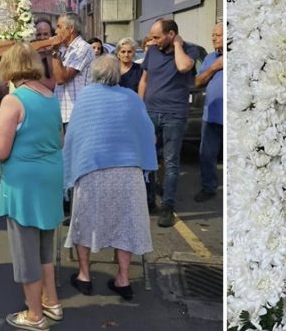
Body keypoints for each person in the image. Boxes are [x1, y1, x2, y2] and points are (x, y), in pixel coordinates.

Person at [0, 43, 64, 331]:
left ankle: (35, 314)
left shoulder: (14, 100)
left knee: (25, 251)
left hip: (24, 182)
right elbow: (59, 140)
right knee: (45, 244)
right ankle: (52, 302)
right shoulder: (50, 95)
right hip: (50, 177)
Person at [64, 55, 157, 300]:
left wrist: (69, 165)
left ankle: (84, 276)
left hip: (91, 169)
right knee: (126, 223)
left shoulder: (85, 96)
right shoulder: (132, 99)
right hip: (128, 171)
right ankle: (123, 279)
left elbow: (74, 134)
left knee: (85, 220)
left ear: (94, 74)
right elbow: (148, 132)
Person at [139, 18, 200, 227]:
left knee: (171, 161)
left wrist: (177, 46)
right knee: (148, 159)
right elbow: (144, 79)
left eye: (157, 37)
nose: (153, 41)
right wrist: (140, 106)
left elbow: (184, 67)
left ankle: (167, 205)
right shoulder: (152, 51)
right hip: (150, 112)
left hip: (174, 114)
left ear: (171, 35)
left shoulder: (188, 50)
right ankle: (148, 201)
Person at [193, 22, 223, 202]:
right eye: (213, 35)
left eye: (217, 35)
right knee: (207, 155)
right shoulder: (211, 58)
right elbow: (198, 82)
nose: (213, 38)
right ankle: (208, 188)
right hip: (210, 115)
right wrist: (215, 67)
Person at [48, 12, 94, 127]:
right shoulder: (63, 49)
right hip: (61, 114)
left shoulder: (83, 48)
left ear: (71, 28)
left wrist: (54, 52)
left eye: (59, 27)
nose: (56, 32)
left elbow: (61, 78)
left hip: (76, 115)